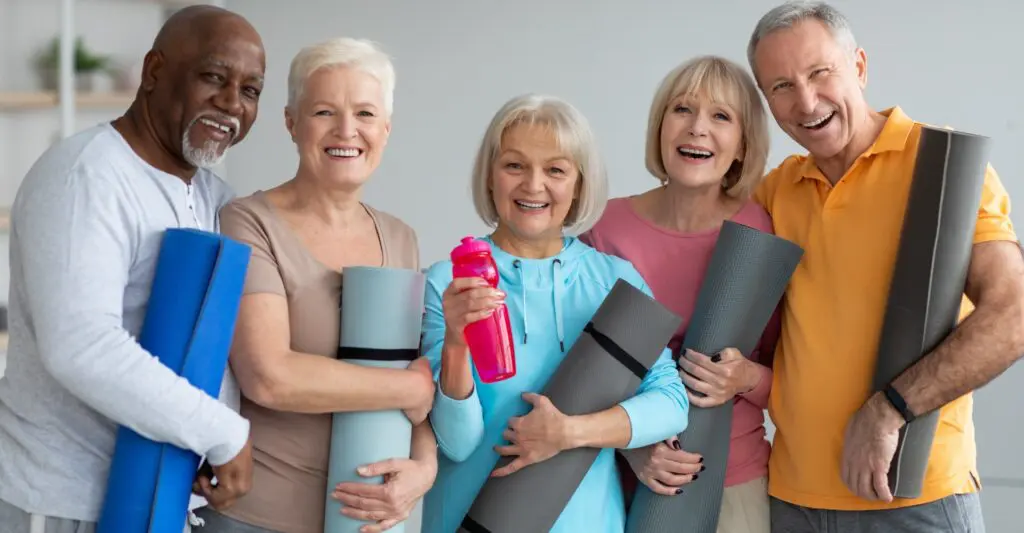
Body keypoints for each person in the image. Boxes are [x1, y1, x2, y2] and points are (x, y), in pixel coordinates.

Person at [747, 2, 1024, 532]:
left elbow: (1012, 318)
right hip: (793, 500)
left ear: (859, 66)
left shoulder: (943, 171)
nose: (806, 101)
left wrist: (892, 407)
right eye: (780, 86)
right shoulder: (775, 190)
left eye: (819, 72)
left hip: (914, 498)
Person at [0, 5, 266, 531]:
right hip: (67, 505)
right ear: (154, 72)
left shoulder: (214, 196)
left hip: (162, 502)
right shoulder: (87, 175)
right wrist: (222, 432)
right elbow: (81, 344)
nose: (232, 103)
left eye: (251, 90)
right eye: (213, 76)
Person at [191, 38, 437, 533]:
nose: (347, 131)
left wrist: (424, 469)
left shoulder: (400, 237)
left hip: (368, 521)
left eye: (365, 113)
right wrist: (408, 388)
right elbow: (270, 376)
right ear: (291, 123)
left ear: (385, 129)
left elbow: (422, 378)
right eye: (325, 111)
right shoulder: (247, 223)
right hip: (259, 517)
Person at [419, 93, 690, 533]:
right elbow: (456, 442)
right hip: (464, 517)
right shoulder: (449, 281)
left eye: (556, 170)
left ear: (579, 184)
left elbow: (671, 404)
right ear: (490, 176)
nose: (533, 185)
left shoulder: (612, 280)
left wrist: (569, 433)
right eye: (514, 165)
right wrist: (455, 341)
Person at [581, 55, 779, 533]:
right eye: (682, 110)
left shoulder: (761, 231)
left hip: (734, 484)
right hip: (620, 480)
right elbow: (579, 373)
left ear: (742, 144)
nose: (697, 129)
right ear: (660, 126)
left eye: (721, 116)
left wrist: (744, 377)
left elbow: (791, 378)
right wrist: (632, 447)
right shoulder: (605, 228)